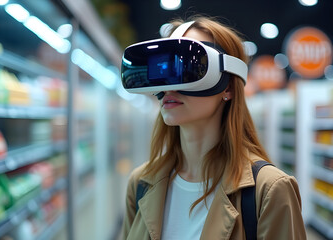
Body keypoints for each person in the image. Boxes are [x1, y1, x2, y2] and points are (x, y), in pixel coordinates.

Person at [121, 15, 306, 240]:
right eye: (162, 71)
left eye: (185, 67)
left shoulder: (268, 190)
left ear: (227, 86)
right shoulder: (140, 183)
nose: (169, 87)